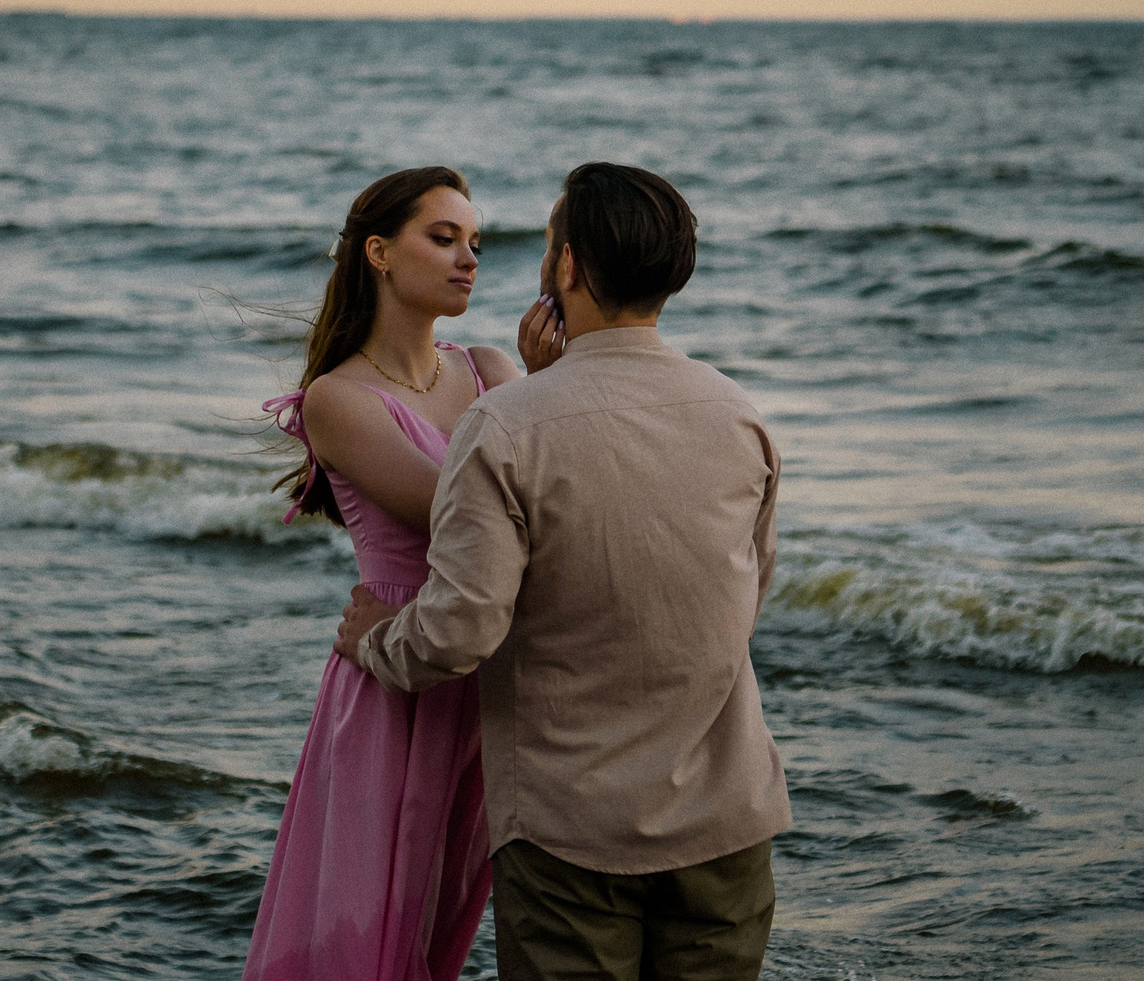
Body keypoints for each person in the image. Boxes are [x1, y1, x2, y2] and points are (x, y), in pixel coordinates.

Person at [334, 162, 791, 981]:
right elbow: (739, 602)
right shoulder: (738, 412)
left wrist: (377, 641)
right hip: (726, 820)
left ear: (569, 269)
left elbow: (461, 629)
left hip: (571, 831)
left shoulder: (505, 422)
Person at [244, 165, 558, 981]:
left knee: (448, 918)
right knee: (372, 922)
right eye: (443, 237)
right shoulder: (337, 400)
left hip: (486, 664)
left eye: (476, 242)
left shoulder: (490, 368)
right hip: (393, 673)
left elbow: (554, 502)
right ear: (379, 252)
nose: (469, 259)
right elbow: (470, 514)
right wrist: (543, 404)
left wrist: (545, 388)